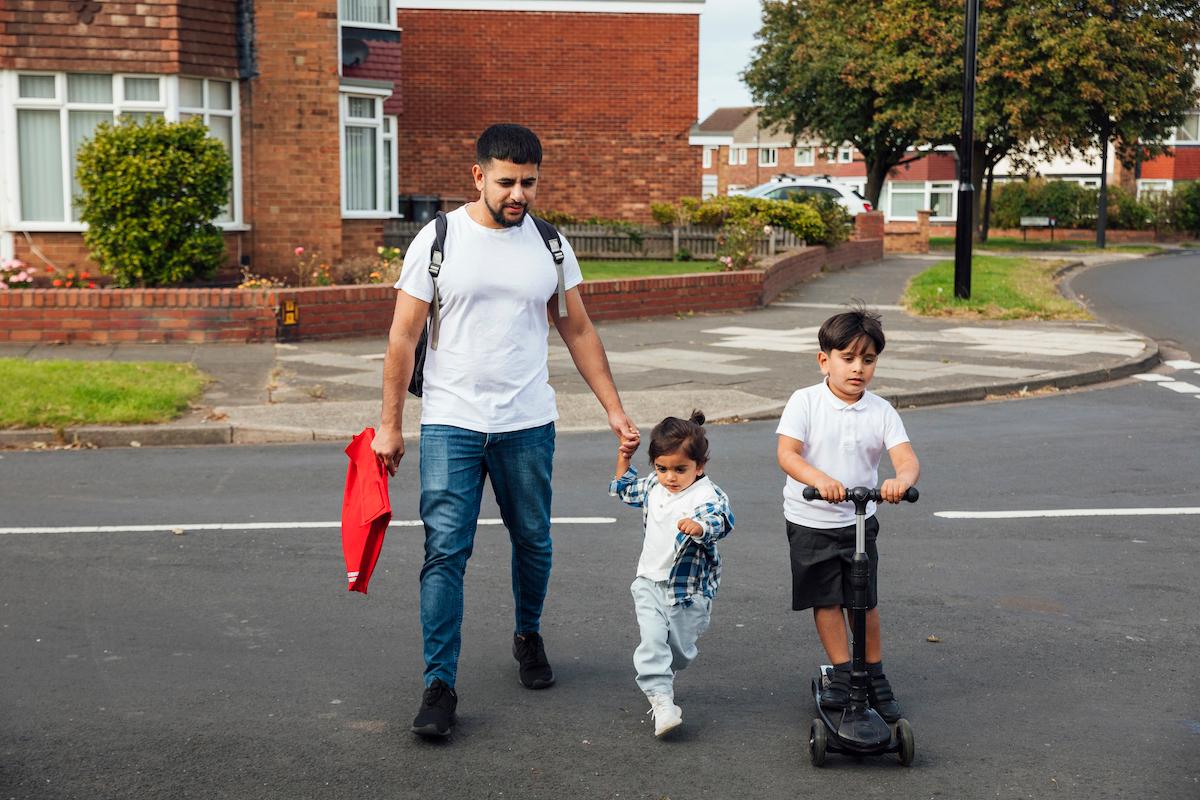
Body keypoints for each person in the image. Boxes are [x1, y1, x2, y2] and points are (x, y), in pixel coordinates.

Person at [372, 123, 640, 738]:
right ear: (478, 177)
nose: (518, 194)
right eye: (506, 182)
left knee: (535, 541)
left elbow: (577, 328)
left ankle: (528, 634)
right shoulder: (438, 240)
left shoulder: (548, 243)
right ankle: (439, 684)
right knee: (445, 551)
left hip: (527, 422)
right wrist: (390, 425)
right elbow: (402, 337)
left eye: (529, 183)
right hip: (450, 422)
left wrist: (613, 409)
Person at [774, 307, 920, 722]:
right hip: (810, 519)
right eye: (848, 358)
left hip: (858, 522)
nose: (858, 368)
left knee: (864, 601)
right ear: (825, 360)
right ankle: (841, 671)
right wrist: (819, 479)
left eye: (868, 360)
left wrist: (899, 480)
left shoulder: (881, 411)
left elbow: (906, 460)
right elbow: (787, 453)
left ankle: (873, 673)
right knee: (826, 600)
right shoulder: (805, 401)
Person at [609, 411, 733, 737]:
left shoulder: (707, 495)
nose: (670, 478)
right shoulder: (654, 484)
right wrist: (624, 457)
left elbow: (722, 520)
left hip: (689, 589)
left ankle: (665, 671)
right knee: (652, 642)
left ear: (700, 466)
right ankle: (662, 702)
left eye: (680, 469)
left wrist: (701, 526)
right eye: (662, 469)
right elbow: (625, 490)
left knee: (679, 651)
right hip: (649, 580)